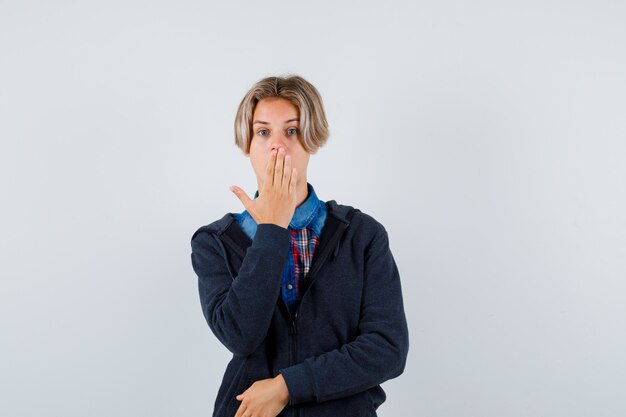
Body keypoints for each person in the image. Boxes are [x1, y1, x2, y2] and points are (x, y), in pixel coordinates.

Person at [190, 75, 409, 417]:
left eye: (291, 131)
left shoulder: (363, 235)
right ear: (247, 144)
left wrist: (288, 387)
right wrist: (272, 228)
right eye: (263, 132)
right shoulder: (213, 242)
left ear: (312, 140)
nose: (277, 146)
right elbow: (240, 336)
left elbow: (387, 349)